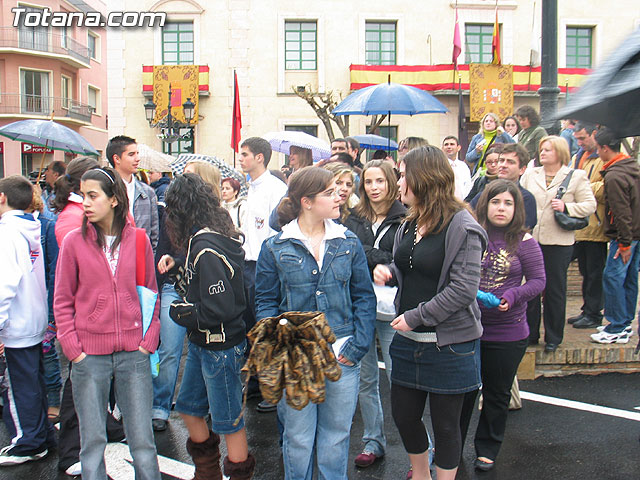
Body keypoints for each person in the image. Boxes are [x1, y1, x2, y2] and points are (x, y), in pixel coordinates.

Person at [373, 146, 487, 480]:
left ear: (423, 178)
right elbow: (412, 265)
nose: (398, 182)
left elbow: (463, 289)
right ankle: (421, 475)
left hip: (448, 345)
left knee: (446, 427)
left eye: (403, 174)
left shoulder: (462, 225)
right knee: (405, 417)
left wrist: (415, 316)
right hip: (409, 342)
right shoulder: (410, 222)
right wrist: (390, 270)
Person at [255, 166, 376, 479]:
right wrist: (278, 344)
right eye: (329, 192)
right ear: (307, 202)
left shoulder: (347, 242)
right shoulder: (275, 246)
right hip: (295, 358)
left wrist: (358, 345)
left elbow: (364, 297)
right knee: (297, 437)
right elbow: (266, 302)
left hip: (342, 352)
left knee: (336, 436)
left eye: (338, 190)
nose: (339, 196)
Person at [54, 167, 161, 480]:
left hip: (134, 354)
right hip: (89, 356)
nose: (85, 202)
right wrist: (74, 350)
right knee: (92, 442)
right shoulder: (74, 242)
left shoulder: (139, 240)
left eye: (92, 195)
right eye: (83, 195)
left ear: (114, 199)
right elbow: (62, 300)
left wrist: (148, 340)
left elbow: (150, 292)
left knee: (142, 441)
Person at [158, 174, 255, 479]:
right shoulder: (207, 237)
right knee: (188, 407)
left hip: (220, 345)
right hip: (207, 343)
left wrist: (183, 313)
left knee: (229, 422)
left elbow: (219, 307)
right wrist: (178, 267)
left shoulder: (204, 245)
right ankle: (208, 473)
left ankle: (233, 474)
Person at [459, 180, 545, 471]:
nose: (501, 208)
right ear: (485, 204)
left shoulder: (525, 241)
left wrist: (514, 294)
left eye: (508, 203)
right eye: (496, 202)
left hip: (508, 331)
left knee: (496, 394)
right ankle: (451, 448)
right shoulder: (471, 233)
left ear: (517, 209)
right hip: (466, 327)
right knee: (461, 394)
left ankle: (487, 448)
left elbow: (538, 281)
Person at [352, 160, 407, 468]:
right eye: (368, 182)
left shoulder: (404, 218)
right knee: (366, 379)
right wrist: (376, 259)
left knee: (400, 381)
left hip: (392, 308)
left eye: (380, 181)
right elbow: (349, 251)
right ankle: (373, 441)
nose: (374, 187)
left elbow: (403, 259)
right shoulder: (355, 216)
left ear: (391, 183)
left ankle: (420, 450)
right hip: (361, 306)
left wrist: (369, 256)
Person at [520, 136, 596, 352]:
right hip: (531, 239)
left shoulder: (576, 176)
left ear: (560, 152)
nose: (542, 153)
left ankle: (553, 337)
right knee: (530, 288)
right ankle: (530, 333)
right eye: (541, 149)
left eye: (548, 150)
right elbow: (521, 199)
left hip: (558, 241)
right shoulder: (530, 174)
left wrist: (567, 207)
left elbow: (590, 205)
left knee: (554, 290)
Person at [0, 176, 56, 467]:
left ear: (2, 198)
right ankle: (41, 434)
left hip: (16, 324)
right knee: (33, 382)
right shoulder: (32, 226)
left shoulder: (7, 233)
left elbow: (4, 283)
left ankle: (28, 441)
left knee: (18, 385)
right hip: (32, 317)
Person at [238, 137, 287, 412]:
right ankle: (257, 382)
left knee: (266, 326)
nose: (241, 159)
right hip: (247, 264)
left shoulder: (275, 189)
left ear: (260, 157)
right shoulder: (251, 188)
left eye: (245, 155)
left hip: (265, 266)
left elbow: (277, 231)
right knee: (251, 328)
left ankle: (272, 389)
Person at [590, 127, 640, 344]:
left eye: (598, 149)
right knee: (629, 278)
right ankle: (625, 321)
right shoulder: (631, 167)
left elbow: (620, 212)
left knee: (613, 277)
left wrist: (624, 243)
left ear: (604, 148)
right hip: (635, 234)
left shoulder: (615, 175)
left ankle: (617, 325)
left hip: (625, 236)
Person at [568, 121, 608, 329]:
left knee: (594, 273)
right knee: (585, 271)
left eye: (583, 138)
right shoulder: (577, 157)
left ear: (594, 134)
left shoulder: (603, 158)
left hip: (595, 226)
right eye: (577, 139)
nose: (580, 142)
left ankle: (594, 313)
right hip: (578, 226)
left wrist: (582, 188)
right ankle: (587, 310)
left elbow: (607, 186)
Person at [106, 135, 159, 251]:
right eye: (131, 154)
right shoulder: (106, 190)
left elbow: (154, 235)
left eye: (137, 153)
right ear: (117, 159)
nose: (137, 158)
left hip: (139, 257)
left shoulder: (147, 193)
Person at [469, 143, 538, 230]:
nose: (503, 165)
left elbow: (524, 229)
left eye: (510, 162)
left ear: (522, 169)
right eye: (501, 160)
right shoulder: (484, 194)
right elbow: (469, 217)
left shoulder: (526, 198)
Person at [441, 135, 472, 200]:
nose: (449, 147)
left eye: (452, 144)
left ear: (458, 148)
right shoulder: (439, 166)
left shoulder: (463, 166)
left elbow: (468, 186)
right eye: (446, 145)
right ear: (442, 148)